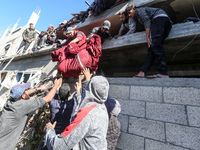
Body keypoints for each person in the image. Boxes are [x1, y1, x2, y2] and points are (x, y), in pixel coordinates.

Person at [43, 74, 109, 150]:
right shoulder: (102, 109)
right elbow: (79, 103)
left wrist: (49, 129)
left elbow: (58, 146)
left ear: (89, 89)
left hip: (56, 136)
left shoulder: (86, 114)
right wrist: (78, 91)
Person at [0, 78, 62, 150]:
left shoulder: (10, 101)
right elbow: (47, 98)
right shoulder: (22, 106)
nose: (27, 91)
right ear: (22, 96)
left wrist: (38, 88)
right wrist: (56, 86)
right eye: (26, 91)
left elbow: (25, 93)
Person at [126, 5, 172, 78]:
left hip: (159, 19)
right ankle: (142, 72)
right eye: (128, 14)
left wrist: (147, 37)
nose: (129, 15)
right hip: (165, 22)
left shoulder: (139, 11)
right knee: (152, 48)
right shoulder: (137, 16)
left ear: (134, 9)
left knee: (156, 46)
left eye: (130, 12)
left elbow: (147, 22)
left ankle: (163, 73)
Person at [37, 82, 74, 150]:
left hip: (49, 134)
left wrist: (58, 83)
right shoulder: (71, 105)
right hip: (61, 138)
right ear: (69, 94)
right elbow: (78, 95)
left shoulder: (53, 103)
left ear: (59, 94)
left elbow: (54, 93)